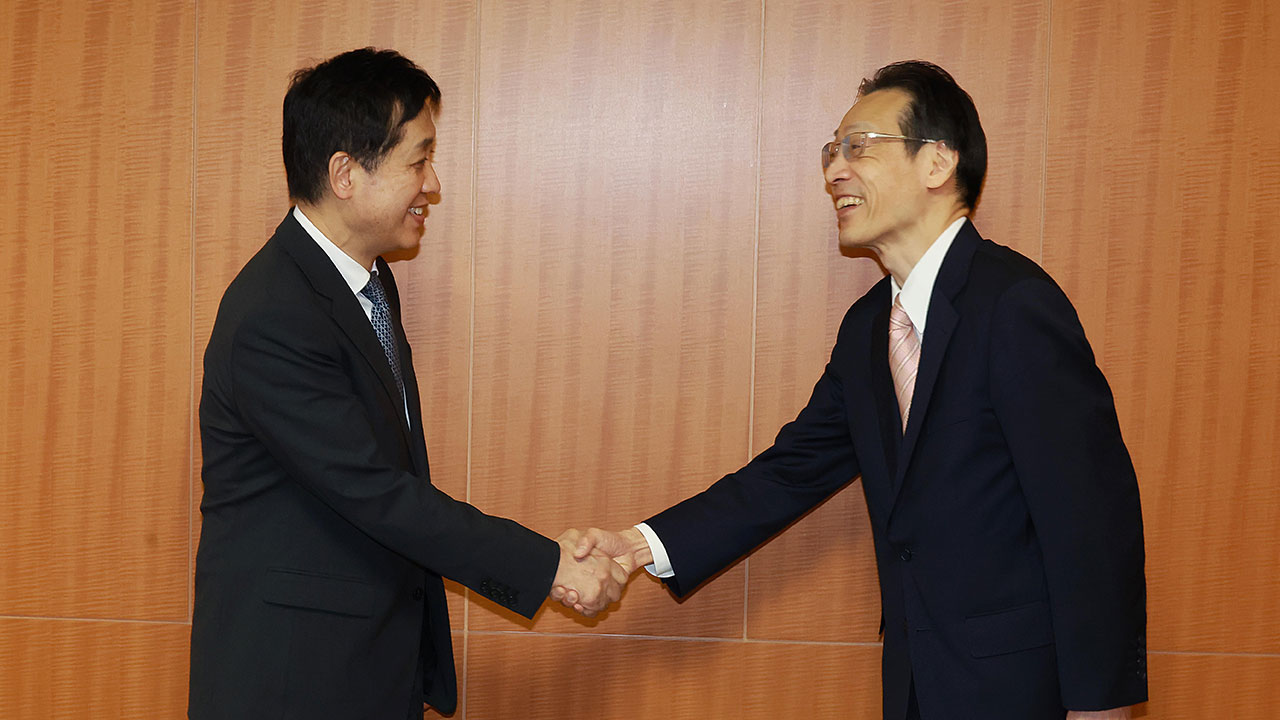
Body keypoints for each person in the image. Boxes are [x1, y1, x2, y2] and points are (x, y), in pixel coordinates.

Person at [566, 61, 1147, 720]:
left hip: (1023, 692)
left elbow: (1093, 523)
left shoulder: (1015, 306)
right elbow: (791, 473)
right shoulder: (870, 326)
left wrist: (1103, 707)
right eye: (831, 152)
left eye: (859, 147)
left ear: (937, 163)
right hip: (914, 689)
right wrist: (640, 547)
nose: (834, 172)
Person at [189, 48, 622, 720]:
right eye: (418, 160)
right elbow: (375, 493)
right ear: (345, 174)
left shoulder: (364, 282)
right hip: (292, 680)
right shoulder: (273, 314)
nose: (434, 182)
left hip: (365, 667)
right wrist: (546, 565)